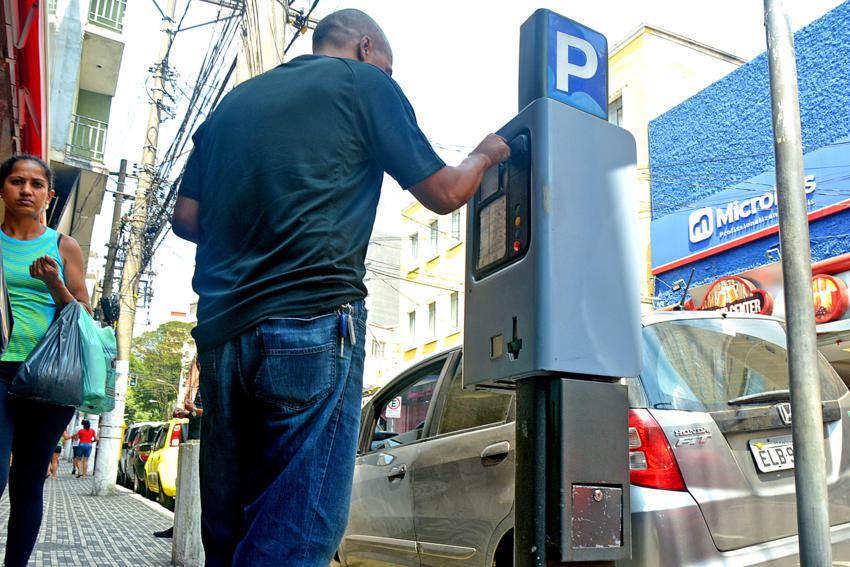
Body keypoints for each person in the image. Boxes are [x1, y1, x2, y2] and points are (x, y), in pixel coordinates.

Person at [172, 9, 509, 566]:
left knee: (232, 530)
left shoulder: (231, 106)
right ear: (365, 46)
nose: (389, 76)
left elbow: (187, 219)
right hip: (313, 317)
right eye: (388, 67)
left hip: (223, 334)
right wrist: (486, 153)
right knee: (296, 533)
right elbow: (446, 193)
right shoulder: (365, 84)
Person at [0, 154, 92, 567]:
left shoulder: (62, 245)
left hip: (47, 378)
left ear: (49, 196)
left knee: (27, 484)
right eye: (17, 181)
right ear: (2, 189)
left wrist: (55, 282)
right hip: (0, 369)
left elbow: (84, 316)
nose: (26, 190)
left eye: (36, 185)